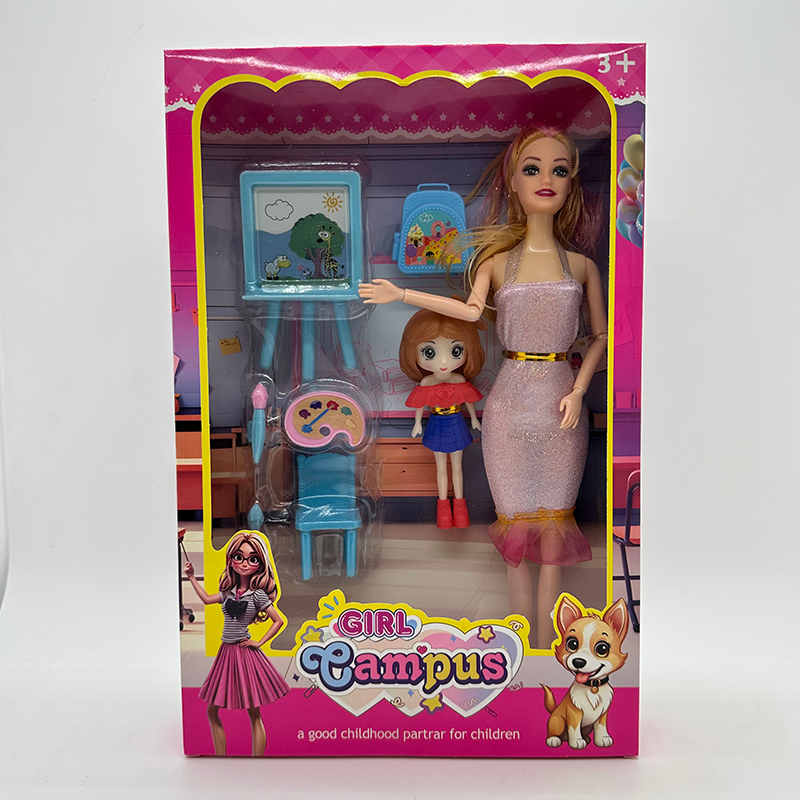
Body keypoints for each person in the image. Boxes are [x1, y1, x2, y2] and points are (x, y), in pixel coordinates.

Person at [359, 128, 608, 648]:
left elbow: (602, 336)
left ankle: (551, 649)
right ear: (512, 181)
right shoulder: (496, 263)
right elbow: (471, 312)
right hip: (509, 408)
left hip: (561, 405)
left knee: (555, 533)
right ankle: (520, 652)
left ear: (571, 182)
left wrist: (580, 389)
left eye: (560, 169)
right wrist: (401, 293)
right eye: (532, 168)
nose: (546, 179)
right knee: (514, 529)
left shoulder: (582, 267)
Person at [184, 531, 289, 755]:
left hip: (245, 652)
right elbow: (206, 599)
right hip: (226, 653)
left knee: (254, 713)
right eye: (238, 557)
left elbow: (279, 620)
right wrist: (192, 577)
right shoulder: (228, 592)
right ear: (231, 560)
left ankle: (257, 761)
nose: (244, 563)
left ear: (260, 564)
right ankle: (220, 757)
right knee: (212, 710)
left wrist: (259, 642)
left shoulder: (258, 595)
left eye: (253, 559)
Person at [398, 307, 485, 528]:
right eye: (430, 352)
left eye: (456, 351)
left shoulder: (458, 380)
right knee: (441, 468)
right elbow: (420, 403)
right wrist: (417, 423)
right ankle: (443, 509)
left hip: (456, 422)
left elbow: (468, 400)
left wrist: (474, 419)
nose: (444, 361)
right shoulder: (426, 382)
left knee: (457, 467)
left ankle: (460, 507)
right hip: (437, 423)